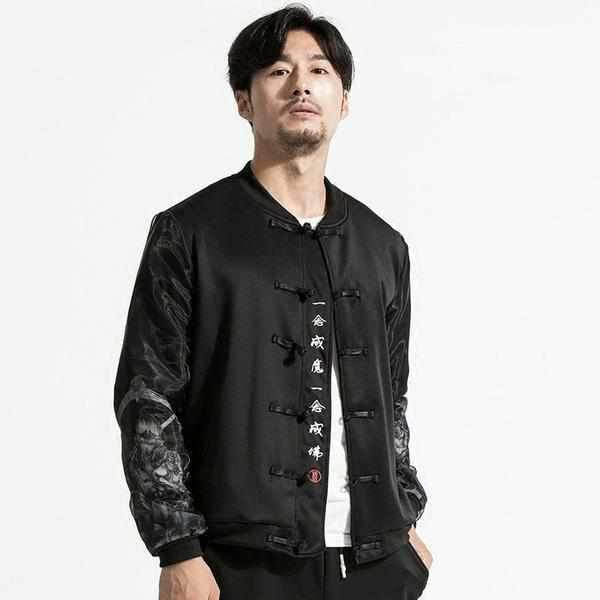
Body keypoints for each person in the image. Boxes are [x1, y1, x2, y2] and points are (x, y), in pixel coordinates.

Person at [113, 3, 433, 599]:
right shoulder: (191, 233)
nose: (301, 85)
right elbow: (148, 396)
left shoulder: (382, 245)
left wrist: (406, 513)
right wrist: (177, 548)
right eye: (279, 71)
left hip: (376, 559)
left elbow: (394, 398)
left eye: (319, 70)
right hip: (238, 562)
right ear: (244, 100)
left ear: (344, 100)